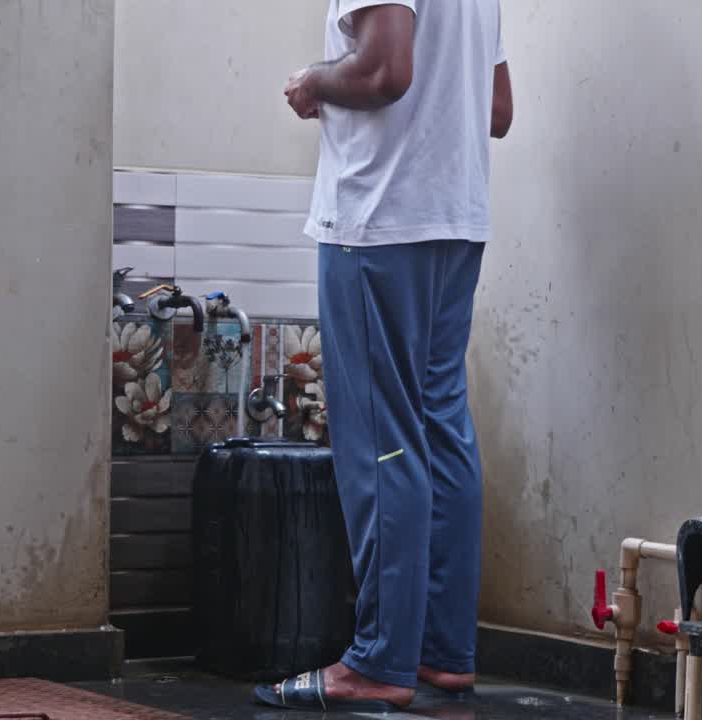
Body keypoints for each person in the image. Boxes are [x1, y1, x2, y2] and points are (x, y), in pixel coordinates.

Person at [254, 0, 513, 712]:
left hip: (377, 222)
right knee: (439, 428)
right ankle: (440, 650)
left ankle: (379, 661)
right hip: (455, 218)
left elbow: (383, 71)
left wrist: (312, 79)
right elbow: (496, 108)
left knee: (382, 443)